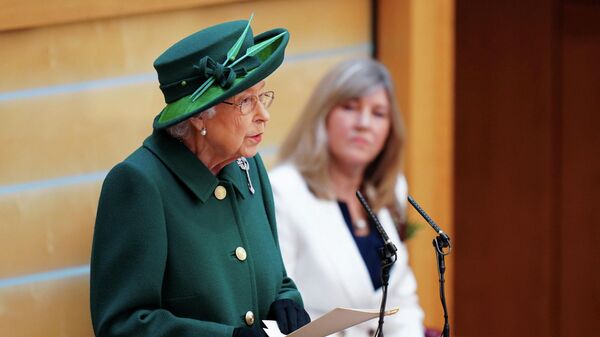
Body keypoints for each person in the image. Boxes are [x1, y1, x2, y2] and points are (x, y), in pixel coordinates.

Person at [90, 18, 310, 337]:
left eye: (262, 96)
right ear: (198, 116)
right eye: (246, 101)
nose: (264, 114)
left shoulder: (248, 166)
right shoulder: (139, 184)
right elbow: (121, 325)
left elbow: (275, 278)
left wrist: (287, 302)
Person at [269, 58, 425, 337]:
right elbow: (279, 308)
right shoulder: (284, 191)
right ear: (323, 115)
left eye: (378, 113)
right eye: (350, 108)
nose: (364, 124)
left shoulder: (391, 188)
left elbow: (402, 302)